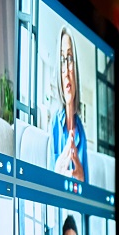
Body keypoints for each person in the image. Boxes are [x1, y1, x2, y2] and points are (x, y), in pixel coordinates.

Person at [47, 26, 90, 181]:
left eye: (70, 58)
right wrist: (58, 171)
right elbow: (48, 189)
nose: (66, 70)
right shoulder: (53, 125)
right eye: (62, 60)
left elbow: (87, 191)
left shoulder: (81, 132)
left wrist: (82, 179)